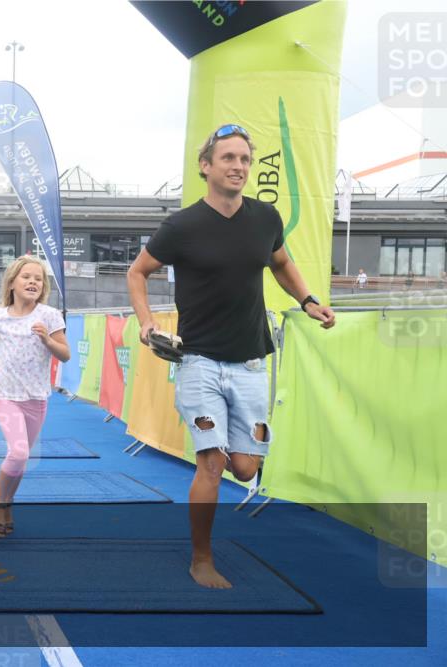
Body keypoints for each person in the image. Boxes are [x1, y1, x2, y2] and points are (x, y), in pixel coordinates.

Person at [126, 123, 336, 589]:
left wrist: (308, 300)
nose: (238, 166)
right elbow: (137, 272)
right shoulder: (180, 226)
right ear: (206, 166)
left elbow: (281, 263)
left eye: (244, 159)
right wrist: (146, 323)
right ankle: (202, 559)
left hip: (251, 364)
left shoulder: (265, 218)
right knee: (213, 463)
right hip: (199, 361)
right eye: (228, 159)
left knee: (245, 467)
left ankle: (240, 448)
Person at [0, 256, 69, 536]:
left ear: (43, 287)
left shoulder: (50, 315)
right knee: (17, 452)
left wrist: (48, 340)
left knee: (21, 457)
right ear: (13, 283)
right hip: (6, 393)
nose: (32, 282)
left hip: (36, 397)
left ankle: (7, 503)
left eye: (38, 279)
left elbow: (64, 355)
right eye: (26, 277)